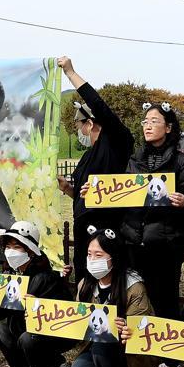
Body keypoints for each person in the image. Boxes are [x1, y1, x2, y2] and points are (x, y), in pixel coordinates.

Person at [106, 100, 184, 367]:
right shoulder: (134, 160)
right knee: (136, 298)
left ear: (168, 128)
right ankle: (136, 353)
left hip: (164, 244)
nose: (147, 125)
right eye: (145, 121)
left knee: (164, 299)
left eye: (154, 121)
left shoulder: (182, 162)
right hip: (133, 240)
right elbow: (120, 195)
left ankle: (170, 359)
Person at [64, 225, 159, 367]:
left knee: (103, 342)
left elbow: (142, 332)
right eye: (89, 254)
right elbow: (79, 324)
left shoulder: (134, 288)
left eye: (98, 255)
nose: (92, 260)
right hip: (98, 350)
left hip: (127, 354)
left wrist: (126, 328)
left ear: (114, 257)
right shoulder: (85, 284)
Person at [58, 57, 134, 269]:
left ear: (90, 123)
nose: (78, 131)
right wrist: (67, 188)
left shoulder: (117, 142)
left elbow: (99, 105)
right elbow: (85, 195)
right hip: (84, 232)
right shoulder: (86, 156)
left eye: (79, 126)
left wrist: (71, 73)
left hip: (107, 230)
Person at [0, 220, 74, 367]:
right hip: (20, 330)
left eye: (17, 247)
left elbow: (61, 314)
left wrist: (38, 306)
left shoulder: (45, 278)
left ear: (30, 251)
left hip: (47, 335)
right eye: (8, 247)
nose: (11, 252)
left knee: (28, 338)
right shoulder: (11, 276)